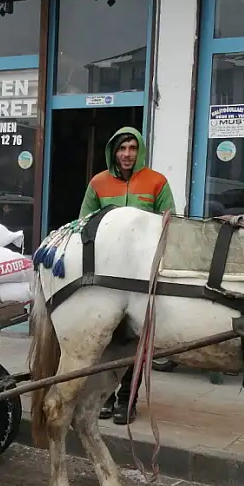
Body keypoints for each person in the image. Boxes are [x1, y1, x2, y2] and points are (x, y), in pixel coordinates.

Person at [78, 126, 175, 425]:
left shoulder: (157, 182)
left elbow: (171, 224)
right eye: (122, 148)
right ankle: (105, 396)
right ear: (113, 151)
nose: (127, 154)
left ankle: (127, 400)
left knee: (136, 340)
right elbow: (84, 224)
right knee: (106, 341)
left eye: (132, 148)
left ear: (139, 150)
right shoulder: (99, 183)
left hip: (141, 277)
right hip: (107, 277)